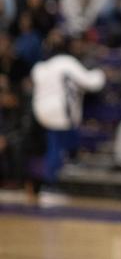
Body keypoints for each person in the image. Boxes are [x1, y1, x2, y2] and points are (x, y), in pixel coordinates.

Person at [30, 31, 105, 200]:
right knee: (56, 147)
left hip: (41, 111)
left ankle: (68, 164)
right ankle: (49, 185)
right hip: (59, 111)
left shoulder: (40, 67)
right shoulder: (66, 62)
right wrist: (101, 73)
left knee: (58, 142)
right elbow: (92, 82)